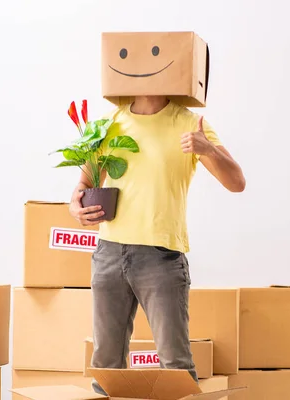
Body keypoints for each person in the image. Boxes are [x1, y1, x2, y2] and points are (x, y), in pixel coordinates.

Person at [68, 96, 245, 395]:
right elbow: (84, 185)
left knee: (175, 364)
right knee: (105, 367)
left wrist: (208, 149)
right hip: (109, 253)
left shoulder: (190, 124)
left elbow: (236, 182)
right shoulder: (109, 123)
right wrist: (76, 204)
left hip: (160, 258)